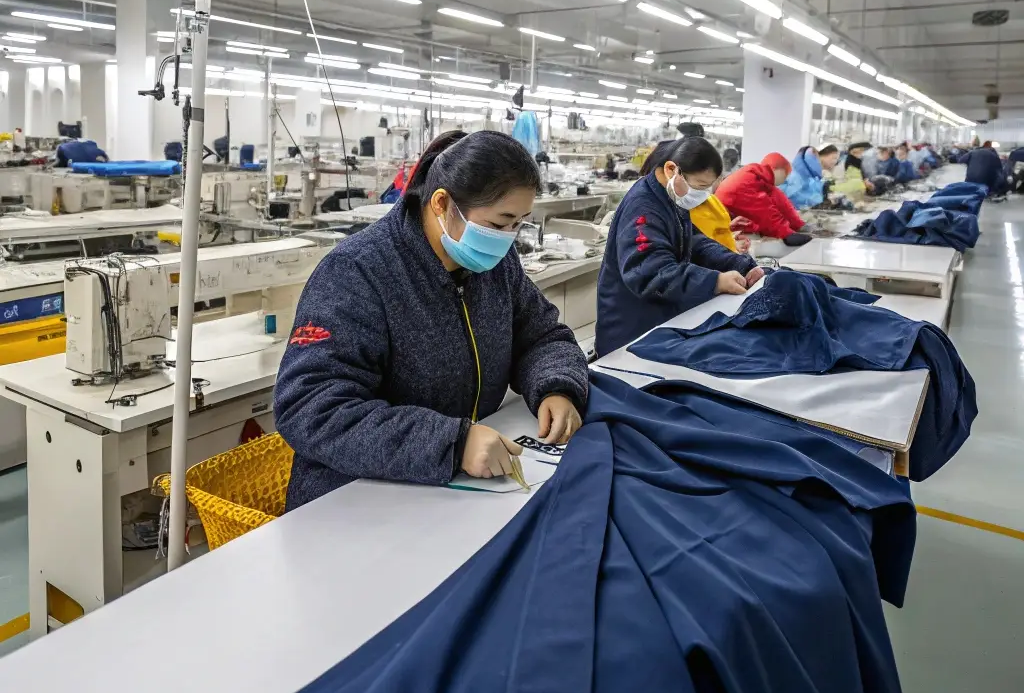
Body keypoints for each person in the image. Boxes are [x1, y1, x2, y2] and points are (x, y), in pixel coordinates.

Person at [274, 130, 589, 509]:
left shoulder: (495, 265)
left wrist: (556, 386)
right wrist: (452, 444)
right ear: (442, 203)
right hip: (355, 501)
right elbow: (310, 407)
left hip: (455, 491)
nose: (507, 238)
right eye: (499, 222)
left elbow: (541, 335)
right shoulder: (357, 273)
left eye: (519, 223)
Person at [595, 137, 761, 357]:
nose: (704, 195)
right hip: (630, 334)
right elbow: (649, 272)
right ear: (672, 169)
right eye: (700, 187)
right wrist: (715, 282)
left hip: (657, 322)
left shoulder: (671, 198)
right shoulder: (644, 208)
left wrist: (740, 264)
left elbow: (695, 241)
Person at [716, 152, 811, 244]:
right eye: (785, 173)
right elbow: (764, 212)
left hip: (731, 213)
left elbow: (781, 202)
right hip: (724, 219)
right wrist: (786, 233)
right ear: (777, 169)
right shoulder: (749, 180)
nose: (785, 179)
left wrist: (798, 225)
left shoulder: (760, 177)